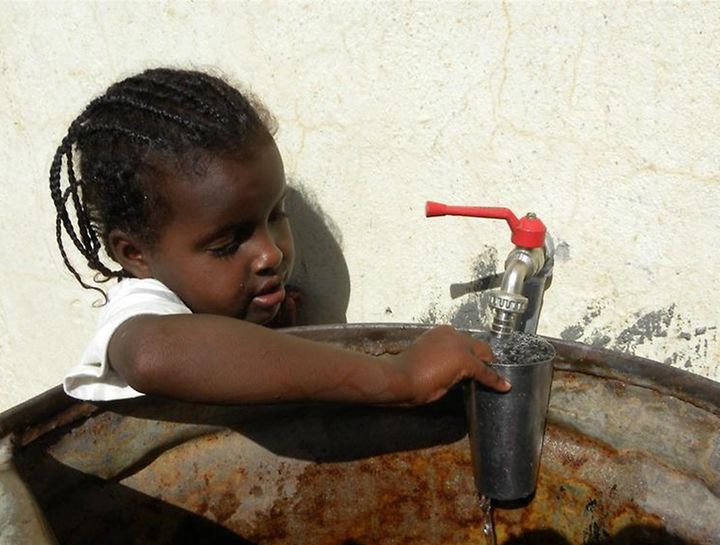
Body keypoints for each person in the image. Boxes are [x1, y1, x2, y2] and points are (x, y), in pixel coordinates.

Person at [50, 67, 509, 405]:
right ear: (135, 254)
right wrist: (400, 376)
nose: (270, 253)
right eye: (228, 243)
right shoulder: (142, 304)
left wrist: (279, 339)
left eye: (277, 214)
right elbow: (153, 353)